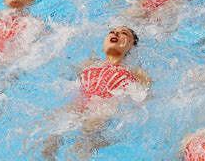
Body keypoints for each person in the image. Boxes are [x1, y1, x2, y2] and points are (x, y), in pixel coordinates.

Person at [42, 26, 151, 160]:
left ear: (131, 46)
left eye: (124, 34)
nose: (115, 33)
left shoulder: (136, 72)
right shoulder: (89, 63)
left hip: (104, 106)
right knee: (52, 131)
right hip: (80, 102)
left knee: (87, 134)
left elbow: (144, 97)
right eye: (112, 31)